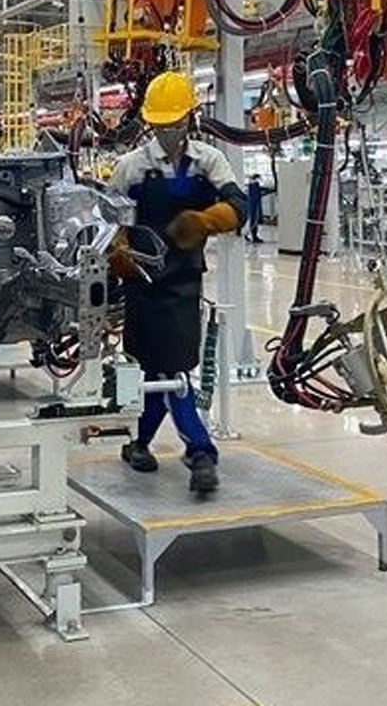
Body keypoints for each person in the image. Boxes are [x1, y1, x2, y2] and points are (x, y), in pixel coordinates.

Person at [108, 71, 246, 495]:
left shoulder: (209, 162)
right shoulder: (131, 167)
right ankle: (185, 450)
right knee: (157, 371)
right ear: (149, 124)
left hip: (184, 284)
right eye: (161, 125)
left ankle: (194, 450)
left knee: (173, 370)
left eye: (176, 123)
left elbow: (240, 207)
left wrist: (206, 220)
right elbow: (111, 218)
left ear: (192, 117)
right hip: (142, 287)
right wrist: (118, 251)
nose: (169, 132)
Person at [244, 174, 274, 243]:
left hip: (253, 205)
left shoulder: (251, 185)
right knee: (254, 221)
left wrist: (269, 190)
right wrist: (271, 190)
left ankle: (252, 236)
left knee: (253, 221)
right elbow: (260, 191)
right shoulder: (254, 184)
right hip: (255, 205)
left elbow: (261, 191)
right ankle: (252, 236)